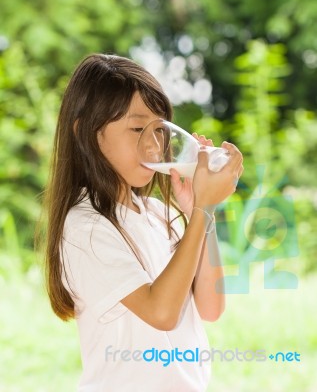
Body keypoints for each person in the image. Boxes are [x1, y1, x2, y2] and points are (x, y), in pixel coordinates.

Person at [42, 53, 243, 392]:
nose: (154, 144)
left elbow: (210, 307)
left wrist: (200, 212)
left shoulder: (155, 212)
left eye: (160, 130)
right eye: (137, 128)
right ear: (85, 134)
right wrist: (201, 211)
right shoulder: (84, 226)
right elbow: (160, 312)